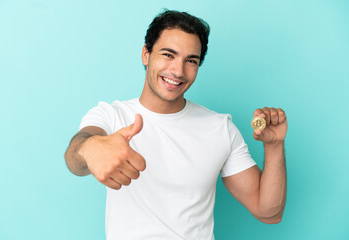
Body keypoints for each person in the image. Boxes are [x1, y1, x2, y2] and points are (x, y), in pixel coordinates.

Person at [64, 10, 287, 240]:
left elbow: (268, 212)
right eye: (168, 55)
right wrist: (91, 148)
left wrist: (274, 146)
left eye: (191, 60)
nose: (178, 71)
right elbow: (74, 159)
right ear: (146, 54)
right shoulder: (111, 116)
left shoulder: (220, 128)